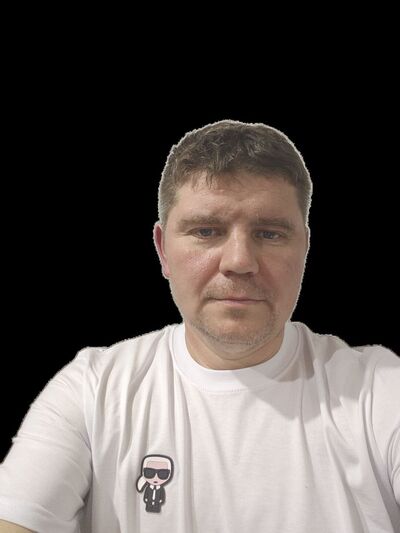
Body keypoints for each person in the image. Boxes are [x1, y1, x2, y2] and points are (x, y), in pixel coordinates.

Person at [0, 119, 399, 533]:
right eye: (207, 231)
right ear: (163, 250)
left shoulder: (380, 391)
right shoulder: (94, 390)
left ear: (305, 248)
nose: (239, 261)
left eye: (269, 234)